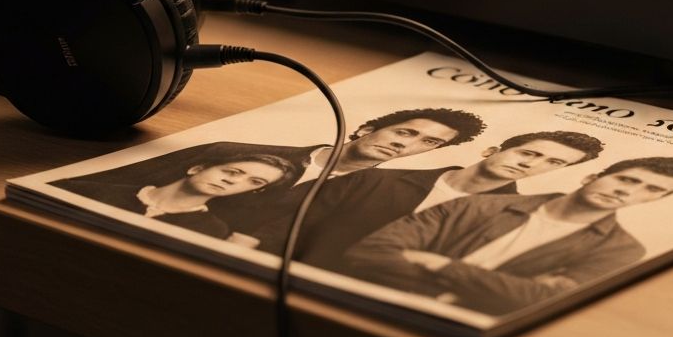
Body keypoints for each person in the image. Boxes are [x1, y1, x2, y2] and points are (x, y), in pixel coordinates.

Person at [342, 156, 673, 316]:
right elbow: (367, 254)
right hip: (373, 308)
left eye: (650, 189)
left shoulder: (622, 250)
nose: (628, 192)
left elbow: (539, 303)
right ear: (590, 177)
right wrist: (500, 288)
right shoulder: (478, 205)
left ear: (656, 200)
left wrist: (444, 266)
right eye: (626, 179)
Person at [71, 106, 486, 238]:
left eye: (427, 143)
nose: (405, 144)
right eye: (405, 132)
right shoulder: (233, 151)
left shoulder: (381, 198)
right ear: (367, 128)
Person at [277, 130, 604, 268]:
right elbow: (280, 224)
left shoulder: (514, 218)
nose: (531, 164)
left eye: (554, 163)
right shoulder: (375, 178)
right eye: (529, 152)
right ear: (493, 150)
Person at [49, 151, 298, 239]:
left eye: (253, 182)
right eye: (232, 170)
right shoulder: (87, 189)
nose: (233, 180)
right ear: (197, 168)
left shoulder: (212, 231)